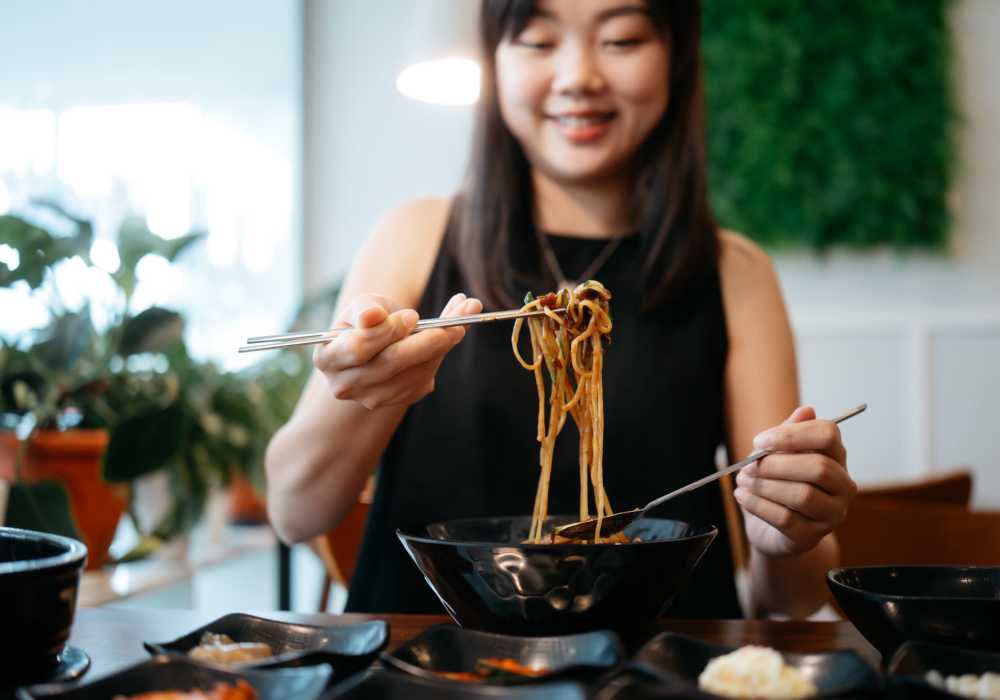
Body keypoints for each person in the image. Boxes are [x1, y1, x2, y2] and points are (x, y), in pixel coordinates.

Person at [265, 0, 857, 619]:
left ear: (675, 58)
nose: (578, 77)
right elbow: (294, 511)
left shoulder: (736, 271)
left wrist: (788, 532)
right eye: (539, 42)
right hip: (426, 664)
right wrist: (365, 394)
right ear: (495, 60)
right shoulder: (414, 235)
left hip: (660, 663)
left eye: (622, 39)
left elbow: (786, 602)